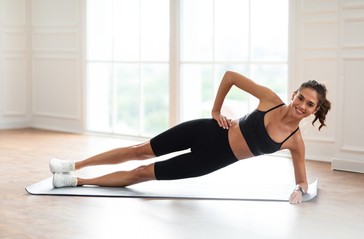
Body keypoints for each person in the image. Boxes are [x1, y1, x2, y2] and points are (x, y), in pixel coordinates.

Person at [49, 71, 331, 204]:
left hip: (212, 159)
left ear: (314, 110)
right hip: (207, 131)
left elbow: (302, 179)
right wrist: (216, 109)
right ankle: (73, 165)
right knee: (139, 149)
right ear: (294, 94)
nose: (302, 105)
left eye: (309, 104)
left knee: (141, 173)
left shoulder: (294, 141)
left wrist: (299, 190)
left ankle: (76, 181)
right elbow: (231, 76)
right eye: (301, 97)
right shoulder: (270, 99)